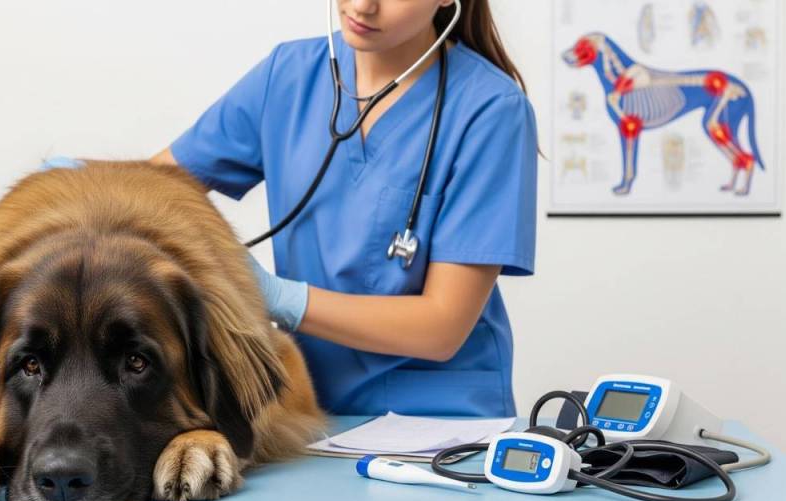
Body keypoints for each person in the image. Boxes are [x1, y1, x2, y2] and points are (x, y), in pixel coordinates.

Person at [150, 0, 537, 417]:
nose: (362, 5)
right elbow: (153, 188)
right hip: (305, 409)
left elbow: (442, 328)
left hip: (438, 421)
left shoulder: (490, 111)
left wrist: (282, 298)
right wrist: (74, 178)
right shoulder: (288, 76)